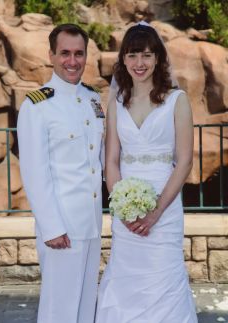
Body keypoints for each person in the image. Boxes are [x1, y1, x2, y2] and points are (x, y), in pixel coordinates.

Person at [95, 23, 198, 322]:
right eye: (132, 55)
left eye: (146, 55)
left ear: (158, 59)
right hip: (125, 212)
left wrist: (155, 213)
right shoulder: (115, 104)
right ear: (123, 60)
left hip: (164, 210)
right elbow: (111, 161)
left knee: (163, 279)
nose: (139, 63)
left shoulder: (178, 101)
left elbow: (185, 161)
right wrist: (123, 208)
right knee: (126, 280)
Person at [17, 23, 104, 323]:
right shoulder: (37, 106)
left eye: (79, 53)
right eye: (65, 53)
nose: (72, 61)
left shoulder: (93, 99)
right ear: (51, 55)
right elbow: (33, 172)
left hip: (91, 224)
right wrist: (52, 227)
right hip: (62, 228)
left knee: (85, 307)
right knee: (59, 311)